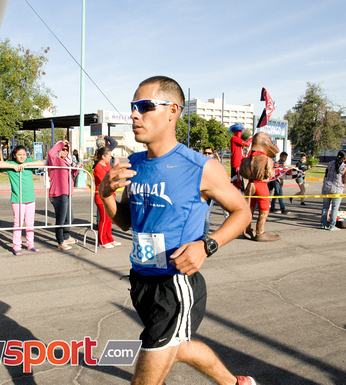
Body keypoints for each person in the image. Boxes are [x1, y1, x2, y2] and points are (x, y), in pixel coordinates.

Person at [98, 76, 255, 385]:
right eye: (133, 107)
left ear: (172, 110)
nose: (134, 115)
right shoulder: (134, 163)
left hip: (175, 285)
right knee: (180, 348)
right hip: (141, 281)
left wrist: (207, 245)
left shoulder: (201, 167)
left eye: (144, 107)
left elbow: (243, 212)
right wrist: (105, 194)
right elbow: (126, 221)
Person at [0, 145, 44, 255]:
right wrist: (13, 167)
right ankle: (17, 246)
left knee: (30, 222)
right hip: (18, 199)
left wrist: (26, 164)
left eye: (24, 155)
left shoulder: (28, 162)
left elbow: (41, 163)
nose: (22, 157)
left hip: (30, 198)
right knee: (18, 223)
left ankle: (30, 244)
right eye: (19, 155)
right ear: (14, 155)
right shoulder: (11, 165)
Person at [47, 140, 80, 250]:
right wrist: (61, 144)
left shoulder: (66, 161)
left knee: (70, 217)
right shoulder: (54, 160)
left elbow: (70, 175)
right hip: (58, 193)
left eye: (67, 150)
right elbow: (51, 153)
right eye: (63, 150)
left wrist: (77, 168)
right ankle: (60, 241)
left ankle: (65, 236)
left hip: (67, 192)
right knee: (61, 218)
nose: (65, 152)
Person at [93, 146, 121, 248]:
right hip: (102, 196)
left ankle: (109, 238)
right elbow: (106, 181)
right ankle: (102, 240)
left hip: (110, 195)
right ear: (103, 157)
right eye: (109, 156)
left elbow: (113, 175)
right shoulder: (98, 168)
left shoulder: (108, 166)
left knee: (110, 218)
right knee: (104, 219)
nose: (110, 158)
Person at [320, 150, 346, 231]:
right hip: (337, 189)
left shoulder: (330, 163)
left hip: (326, 187)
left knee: (325, 207)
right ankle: (332, 226)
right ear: (345, 158)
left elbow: (326, 174)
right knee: (335, 208)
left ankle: (323, 224)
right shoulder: (345, 167)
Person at [229, 123, 252, 191]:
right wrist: (251, 139)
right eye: (237, 130)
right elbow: (247, 144)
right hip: (237, 164)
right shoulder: (234, 138)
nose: (239, 132)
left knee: (240, 183)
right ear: (234, 131)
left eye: (240, 130)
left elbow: (241, 153)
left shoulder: (238, 140)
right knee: (237, 184)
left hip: (239, 163)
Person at [202, 146, 219, 236]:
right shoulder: (199, 164)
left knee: (206, 216)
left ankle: (205, 236)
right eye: (205, 153)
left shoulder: (216, 166)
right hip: (199, 193)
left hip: (210, 193)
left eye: (209, 153)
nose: (207, 155)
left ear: (213, 155)